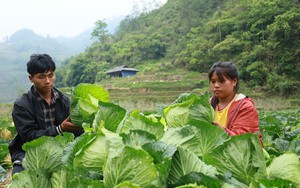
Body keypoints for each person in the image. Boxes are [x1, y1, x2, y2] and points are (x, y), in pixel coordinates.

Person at [8, 54, 83, 175]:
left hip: (60, 152)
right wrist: (59, 129)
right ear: (31, 78)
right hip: (29, 153)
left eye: (50, 75)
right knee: (21, 179)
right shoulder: (22, 105)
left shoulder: (64, 101)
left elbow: (77, 132)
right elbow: (29, 137)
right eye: (41, 77)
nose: (47, 81)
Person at [208, 61, 263, 146]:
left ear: (234, 81)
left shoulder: (245, 106)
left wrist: (220, 131)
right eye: (213, 81)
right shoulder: (208, 104)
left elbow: (246, 141)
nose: (216, 85)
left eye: (221, 81)